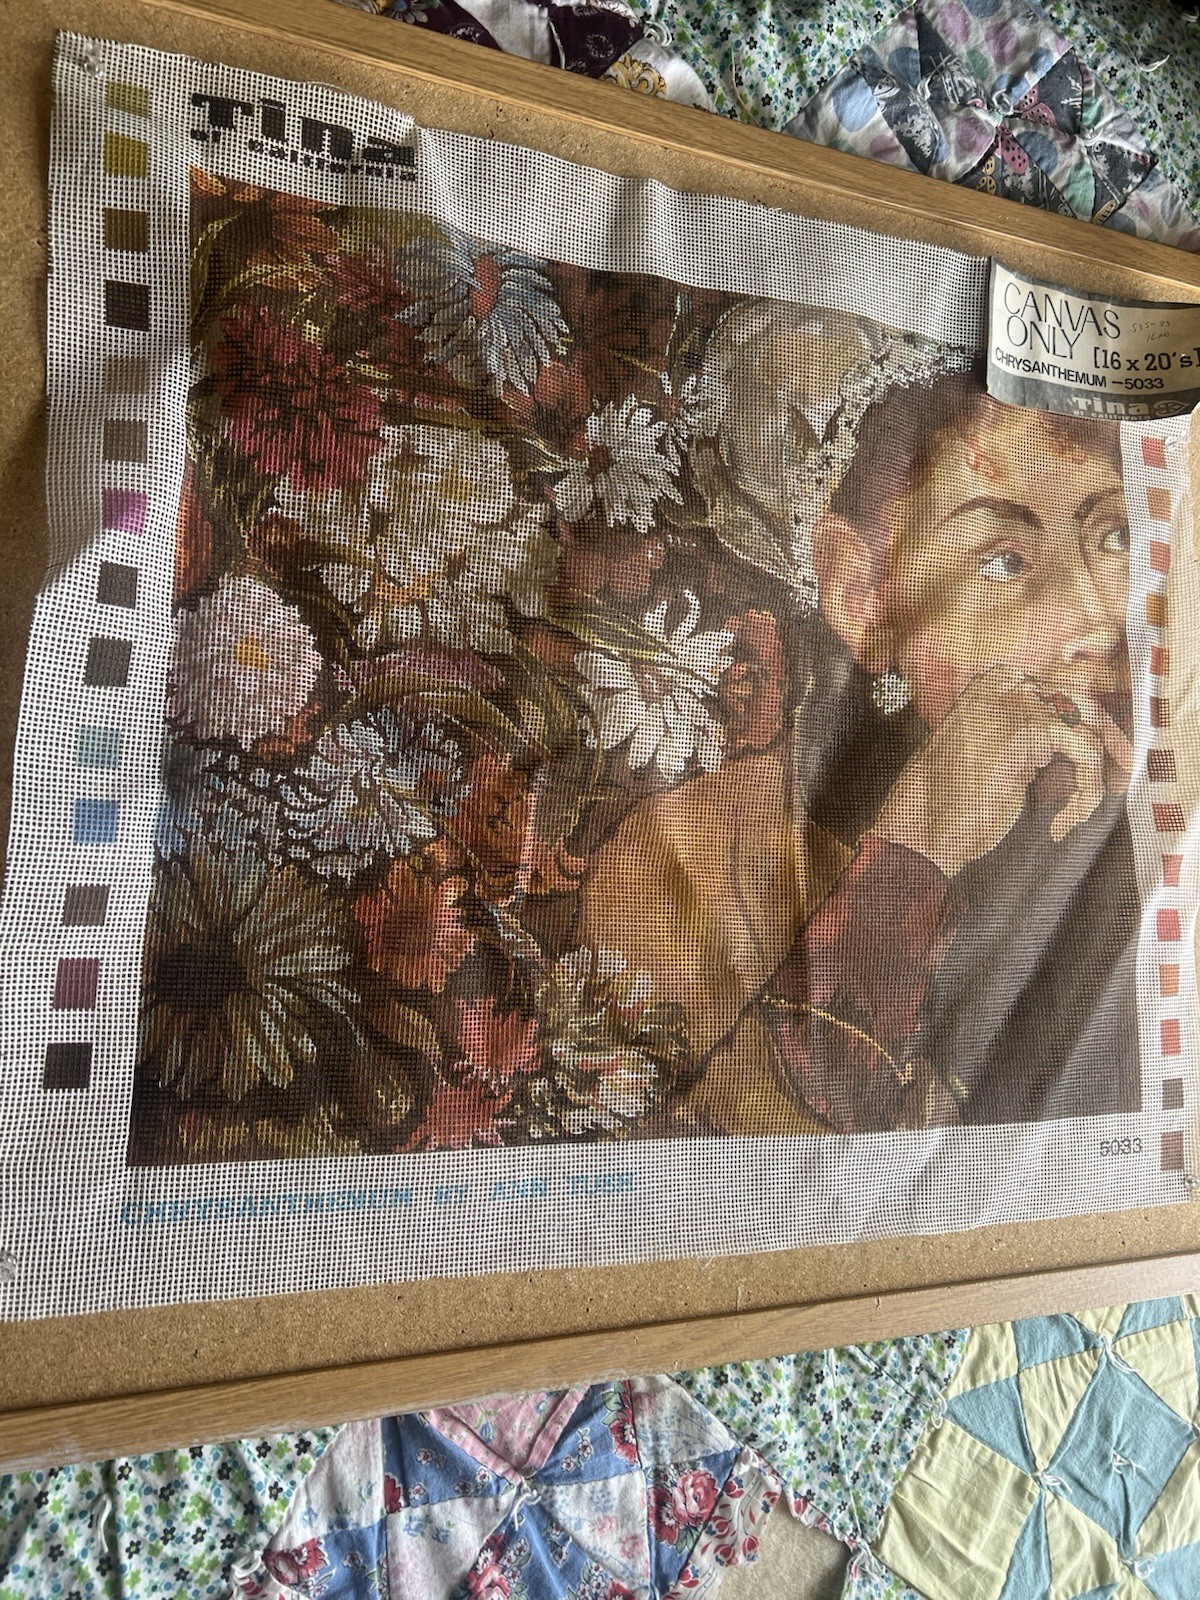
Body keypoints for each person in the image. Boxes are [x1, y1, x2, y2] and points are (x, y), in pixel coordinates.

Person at [762, 369, 1138, 1133]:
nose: (1097, 623)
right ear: (863, 598)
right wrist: (924, 840)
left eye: (1114, 539)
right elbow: (812, 1133)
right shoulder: (754, 853)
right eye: (1005, 562)